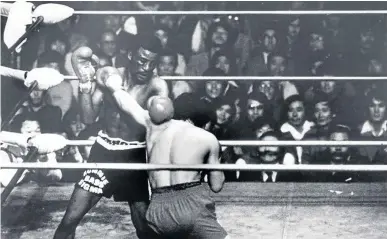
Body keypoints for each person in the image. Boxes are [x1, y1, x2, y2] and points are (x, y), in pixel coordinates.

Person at [54, 37, 169, 239]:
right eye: (142, 60)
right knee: (69, 221)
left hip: (136, 155)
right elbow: (88, 118)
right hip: (104, 152)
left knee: (144, 227)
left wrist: (116, 91)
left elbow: (152, 124)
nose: (146, 67)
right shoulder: (110, 75)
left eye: (152, 63)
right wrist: (85, 86)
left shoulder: (157, 86)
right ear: (130, 55)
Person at [97, 66, 229, 238]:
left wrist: (113, 84)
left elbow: (127, 104)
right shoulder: (208, 138)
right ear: (203, 121)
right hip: (192, 204)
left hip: (158, 210)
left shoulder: (153, 125)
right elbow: (217, 186)